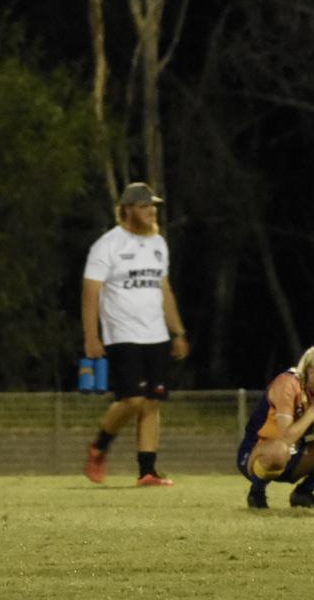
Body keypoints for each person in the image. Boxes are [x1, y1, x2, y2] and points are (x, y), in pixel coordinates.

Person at [81, 182, 190, 487]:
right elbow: (90, 293)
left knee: (152, 402)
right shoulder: (108, 245)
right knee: (132, 400)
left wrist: (177, 331)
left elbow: (164, 289)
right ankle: (99, 446)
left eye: (153, 205)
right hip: (122, 334)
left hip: (156, 335)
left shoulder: (158, 243)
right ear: (128, 209)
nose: (151, 211)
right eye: (144, 206)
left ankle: (147, 471)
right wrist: (92, 336)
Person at [236, 344, 314, 509]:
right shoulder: (288, 383)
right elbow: (285, 438)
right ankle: (257, 494)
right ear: (311, 371)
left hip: (295, 453)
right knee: (280, 450)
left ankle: (303, 493)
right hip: (259, 452)